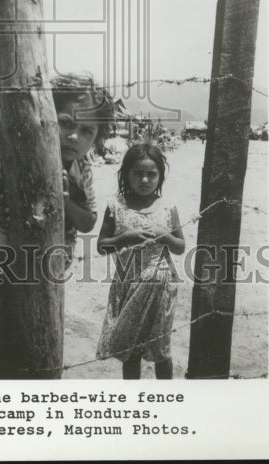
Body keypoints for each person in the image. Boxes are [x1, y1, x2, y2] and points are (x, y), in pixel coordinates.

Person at [0, 75, 115, 379]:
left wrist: (65, 200)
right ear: (45, 118)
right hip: (10, 262)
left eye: (87, 131)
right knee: (5, 331)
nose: (74, 137)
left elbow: (89, 221)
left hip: (51, 264)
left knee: (34, 332)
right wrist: (6, 223)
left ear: (96, 138)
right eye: (66, 123)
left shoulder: (83, 170)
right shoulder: (15, 156)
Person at [96, 144, 185, 379]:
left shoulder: (167, 207)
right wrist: (124, 238)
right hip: (128, 286)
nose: (145, 180)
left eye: (151, 174)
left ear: (160, 176)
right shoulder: (116, 207)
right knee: (131, 350)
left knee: (161, 349)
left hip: (161, 287)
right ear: (126, 174)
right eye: (138, 173)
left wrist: (163, 235)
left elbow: (180, 247)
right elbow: (102, 246)